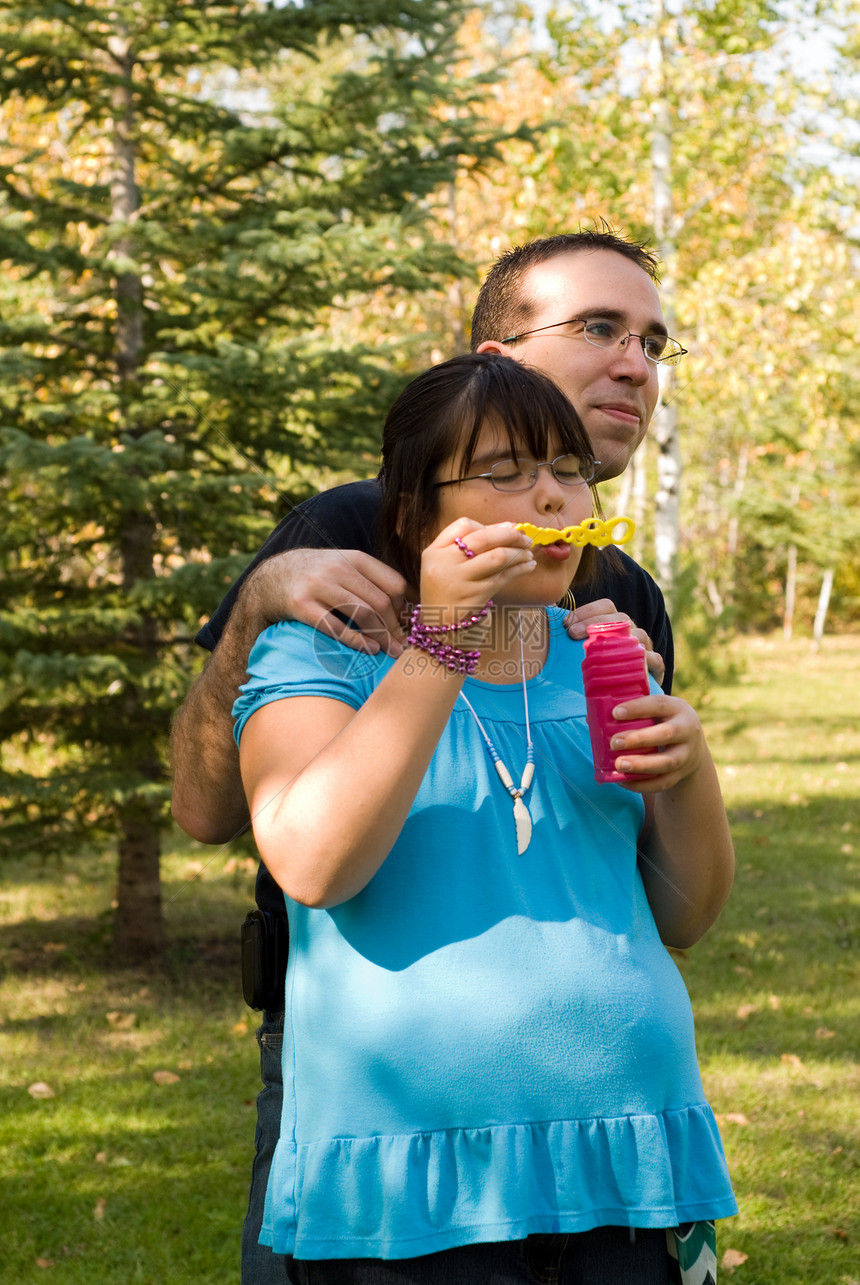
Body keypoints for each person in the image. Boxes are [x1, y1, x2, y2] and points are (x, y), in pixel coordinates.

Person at [170, 229, 686, 1280]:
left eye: (650, 340)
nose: (633, 362)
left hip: (596, 1130)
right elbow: (206, 808)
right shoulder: (354, 536)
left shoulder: (618, 592)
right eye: (596, 327)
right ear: (492, 360)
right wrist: (251, 619)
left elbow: (645, 879)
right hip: (374, 1095)